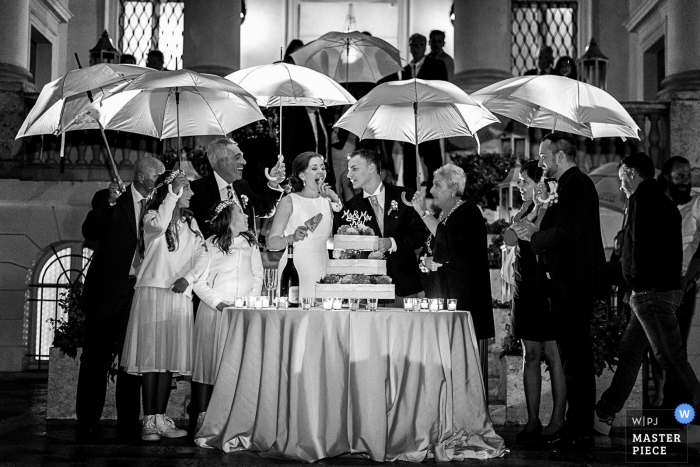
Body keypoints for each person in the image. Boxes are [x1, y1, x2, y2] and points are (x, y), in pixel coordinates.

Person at [594, 153, 700, 442]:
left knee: (670, 357)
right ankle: (604, 413)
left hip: (650, 293)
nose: (620, 185)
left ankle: (697, 418)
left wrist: (635, 283)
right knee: (630, 355)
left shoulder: (642, 199)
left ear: (630, 173)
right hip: (657, 292)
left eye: (621, 178)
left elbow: (639, 249)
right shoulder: (665, 203)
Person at [513, 132, 606, 453]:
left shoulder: (577, 185)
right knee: (571, 361)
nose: (541, 162)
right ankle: (574, 428)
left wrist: (534, 236)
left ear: (560, 156)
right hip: (565, 286)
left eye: (543, 157)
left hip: (574, 287)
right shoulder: (565, 187)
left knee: (576, 363)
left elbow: (571, 231)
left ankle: (579, 431)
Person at [76, 156, 165, 437]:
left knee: (131, 360)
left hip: (138, 292)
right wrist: (111, 203)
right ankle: (88, 419)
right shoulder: (108, 197)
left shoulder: (160, 205)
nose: (161, 181)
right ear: (141, 177)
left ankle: (128, 421)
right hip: (106, 291)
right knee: (96, 358)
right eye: (157, 176)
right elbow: (89, 231)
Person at [121, 170, 208, 441]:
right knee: (150, 356)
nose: (191, 194)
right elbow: (158, 227)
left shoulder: (192, 223)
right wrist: (172, 195)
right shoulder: (151, 216)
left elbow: (202, 255)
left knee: (167, 357)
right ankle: (149, 420)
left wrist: (188, 279)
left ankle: (160, 417)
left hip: (178, 293)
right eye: (186, 188)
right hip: (153, 292)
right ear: (172, 191)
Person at [504, 161, 566, 442]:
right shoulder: (524, 209)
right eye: (520, 182)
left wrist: (541, 205)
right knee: (530, 354)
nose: (520, 186)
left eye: (525, 182)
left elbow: (537, 234)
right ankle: (532, 421)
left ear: (540, 184)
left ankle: (558, 418)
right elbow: (512, 238)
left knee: (553, 355)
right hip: (524, 287)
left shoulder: (549, 207)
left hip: (545, 287)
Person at [410, 163, 494, 369]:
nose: (431, 191)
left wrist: (422, 212)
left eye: (437, 185)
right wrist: (426, 262)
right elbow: (432, 251)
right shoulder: (442, 216)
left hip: (465, 303)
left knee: (464, 367)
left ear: (454, 188)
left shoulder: (468, 212)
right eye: (431, 185)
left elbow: (449, 245)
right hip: (442, 298)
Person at [191, 201, 263, 435]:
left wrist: (247, 303)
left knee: (234, 364)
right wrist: (218, 304)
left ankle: (232, 416)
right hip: (214, 312)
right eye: (240, 212)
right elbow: (199, 282)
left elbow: (257, 275)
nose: (245, 215)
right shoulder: (210, 245)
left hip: (240, 313)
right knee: (207, 364)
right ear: (228, 219)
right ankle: (202, 417)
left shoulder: (250, 244)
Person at [345, 149, 426, 304]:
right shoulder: (351, 207)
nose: (349, 175)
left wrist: (392, 243)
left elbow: (419, 235)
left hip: (403, 286)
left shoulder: (405, 196)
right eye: (349, 170)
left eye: (354, 169)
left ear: (371, 168)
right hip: (366, 288)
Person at [267, 152, 341, 299]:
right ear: (302, 175)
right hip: (296, 267)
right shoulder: (289, 201)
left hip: (323, 265)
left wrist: (334, 199)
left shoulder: (328, 201)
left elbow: (329, 240)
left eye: (322, 167)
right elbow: (272, 243)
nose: (321, 172)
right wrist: (292, 238)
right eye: (314, 168)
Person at [189, 137, 285, 239]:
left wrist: (273, 183)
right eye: (237, 157)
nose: (244, 162)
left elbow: (266, 210)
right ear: (222, 162)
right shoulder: (197, 190)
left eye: (242, 157)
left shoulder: (242, 185)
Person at [400, 33, 447, 192]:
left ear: (424, 45)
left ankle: (437, 191)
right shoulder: (406, 70)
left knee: (432, 157)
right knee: (410, 158)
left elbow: (442, 91)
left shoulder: (437, 65)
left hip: (428, 118)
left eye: (419, 45)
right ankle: (410, 193)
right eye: (412, 45)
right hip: (410, 120)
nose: (415, 48)